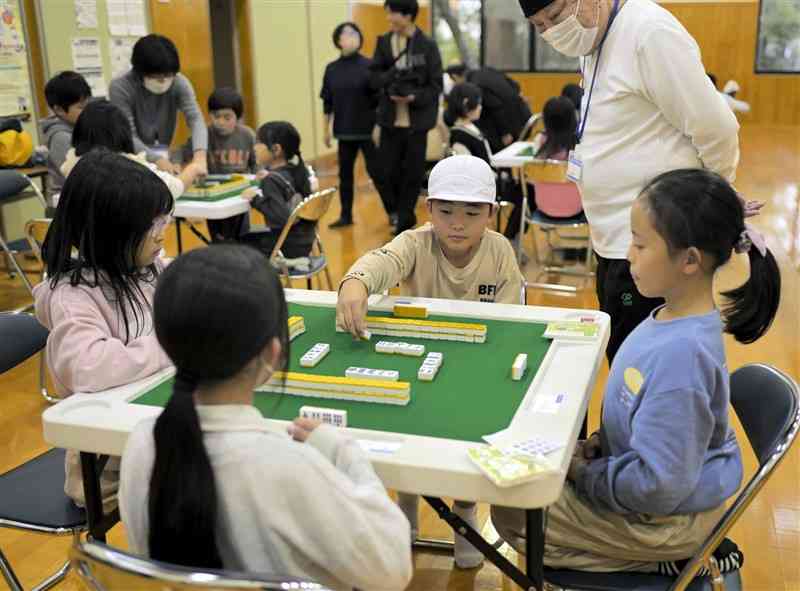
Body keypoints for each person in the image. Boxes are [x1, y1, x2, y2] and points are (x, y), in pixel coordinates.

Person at [491, 168, 780, 573]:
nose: (628, 255)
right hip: (658, 492)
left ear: (689, 261)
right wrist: (601, 446)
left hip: (666, 520)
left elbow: (658, 486)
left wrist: (585, 474)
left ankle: (661, 561)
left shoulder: (683, 359)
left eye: (640, 245)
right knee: (524, 486)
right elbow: (646, 424)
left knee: (513, 514)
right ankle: (648, 553)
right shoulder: (669, 315)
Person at [118, 244, 413, 590]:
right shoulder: (285, 465)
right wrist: (343, 453)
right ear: (272, 354)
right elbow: (392, 569)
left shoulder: (141, 442)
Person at [519, 0, 743, 363]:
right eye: (539, 25)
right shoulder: (592, 42)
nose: (550, 32)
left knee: (647, 370)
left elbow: (717, 128)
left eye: (556, 16)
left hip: (656, 246)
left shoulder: (648, 32)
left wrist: (712, 206)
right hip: (613, 242)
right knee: (623, 359)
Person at [337, 155, 525, 569]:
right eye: (446, 212)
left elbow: (516, 321)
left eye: (472, 213)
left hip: (476, 363)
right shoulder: (415, 242)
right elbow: (383, 260)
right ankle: (405, 504)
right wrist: (356, 281)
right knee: (409, 432)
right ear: (429, 211)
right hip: (419, 361)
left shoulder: (500, 254)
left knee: (466, 438)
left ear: (491, 214)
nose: (458, 223)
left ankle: (465, 513)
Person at [33, 150, 175, 509]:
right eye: (151, 226)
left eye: (163, 221)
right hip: (106, 464)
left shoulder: (143, 267)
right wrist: (172, 344)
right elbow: (88, 366)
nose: (161, 235)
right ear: (111, 234)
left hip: (150, 428)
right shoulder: (73, 296)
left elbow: (181, 283)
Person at [370, 0, 443, 234]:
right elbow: (374, 78)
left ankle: (404, 218)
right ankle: (395, 211)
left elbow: (436, 85)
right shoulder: (383, 42)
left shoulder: (427, 45)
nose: (389, 18)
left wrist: (414, 97)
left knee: (412, 173)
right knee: (386, 171)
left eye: (393, 13)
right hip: (390, 119)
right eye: (388, 13)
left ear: (409, 15)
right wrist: (392, 76)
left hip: (417, 122)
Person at [59, 99, 202, 200]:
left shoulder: (72, 162)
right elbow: (174, 188)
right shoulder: (129, 167)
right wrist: (194, 168)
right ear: (122, 132)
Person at [109, 34, 208, 176]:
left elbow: (196, 119)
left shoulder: (179, 82)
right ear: (139, 72)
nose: (163, 81)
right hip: (130, 157)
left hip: (162, 152)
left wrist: (200, 157)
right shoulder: (121, 87)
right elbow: (127, 135)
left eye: (168, 75)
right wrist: (157, 160)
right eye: (156, 77)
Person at [320, 22, 385, 228]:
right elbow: (327, 102)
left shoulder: (370, 65)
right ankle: (345, 216)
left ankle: (392, 212)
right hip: (344, 130)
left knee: (377, 172)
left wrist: (378, 127)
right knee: (344, 175)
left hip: (368, 130)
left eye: (355, 33)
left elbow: (380, 100)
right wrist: (326, 131)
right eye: (347, 34)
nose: (352, 37)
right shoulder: (332, 69)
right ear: (338, 40)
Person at [180, 87, 260, 241]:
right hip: (214, 200)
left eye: (227, 117)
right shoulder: (204, 135)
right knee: (219, 241)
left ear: (238, 117)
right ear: (210, 115)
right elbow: (181, 153)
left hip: (239, 197)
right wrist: (177, 165)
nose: (221, 122)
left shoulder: (247, 135)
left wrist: (259, 176)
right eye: (216, 117)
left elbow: (256, 164)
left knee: (243, 238)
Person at [504, 96, 578, 241]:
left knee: (523, 190)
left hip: (543, 207)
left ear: (546, 120)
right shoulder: (580, 145)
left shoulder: (540, 142)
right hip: (576, 209)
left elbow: (531, 180)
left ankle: (511, 239)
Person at [240, 121, 313, 259]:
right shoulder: (296, 171)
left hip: (285, 247)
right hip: (305, 242)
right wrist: (268, 175)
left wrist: (255, 200)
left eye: (258, 142)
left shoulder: (271, 181)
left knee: (234, 243)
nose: (254, 148)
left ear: (276, 149)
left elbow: (280, 218)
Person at [445, 64, 532, 152]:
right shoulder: (487, 70)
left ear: (455, 77)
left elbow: (496, 107)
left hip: (510, 124)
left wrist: (505, 132)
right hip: (524, 116)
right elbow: (515, 86)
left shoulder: (475, 85)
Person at [40, 71, 91, 206]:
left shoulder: (81, 126)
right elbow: (82, 177)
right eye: (81, 107)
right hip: (65, 205)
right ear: (59, 110)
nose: (88, 111)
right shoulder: (60, 137)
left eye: (88, 104)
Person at [446, 82, 492, 165]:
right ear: (466, 103)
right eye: (478, 103)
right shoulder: (459, 136)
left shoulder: (470, 127)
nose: (480, 107)